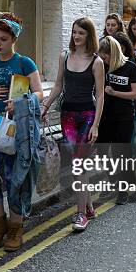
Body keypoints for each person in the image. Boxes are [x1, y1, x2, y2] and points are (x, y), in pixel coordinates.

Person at [0, 13, 43, 251]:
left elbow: (39, 93)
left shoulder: (25, 63)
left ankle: (16, 228)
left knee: (16, 178)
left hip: (16, 127)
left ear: (13, 39)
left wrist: (20, 102)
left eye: (3, 39)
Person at [41, 17, 104, 231]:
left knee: (79, 165)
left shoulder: (97, 62)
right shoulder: (64, 56)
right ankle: (88, 206)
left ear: (89, 36)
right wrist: (46, 106)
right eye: (74, 32)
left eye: (81, 33)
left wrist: (96, 125)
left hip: (87, 115)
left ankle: (80, 215)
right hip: (67, 115)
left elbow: (101, 95)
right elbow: (58, 85)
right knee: (77, 165)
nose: (76, 36)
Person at [97, 36, 136, 205]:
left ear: (113, 53)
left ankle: (123, 191)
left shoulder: (130, 67)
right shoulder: (102, 66)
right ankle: (115, 178)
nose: (103, 59)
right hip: (105, 115)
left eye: (105, 56)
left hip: (124, 116)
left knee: (119, 153)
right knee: (102, 152)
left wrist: (116, 93)